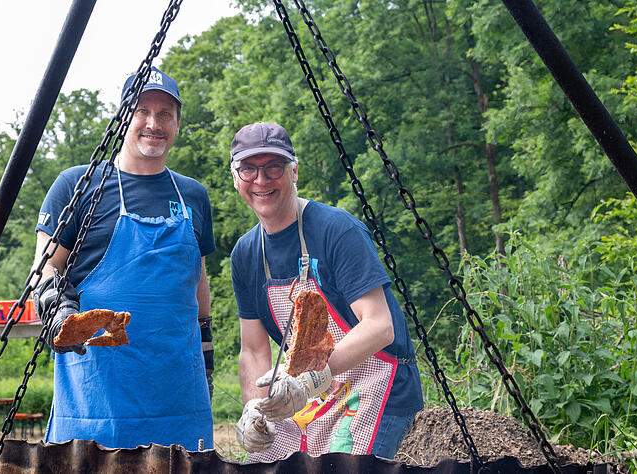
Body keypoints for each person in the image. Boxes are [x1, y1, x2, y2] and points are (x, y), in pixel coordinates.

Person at [31, 66, 215, 450]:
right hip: (96, 394)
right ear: (122, 118)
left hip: (178, 392)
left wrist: (208, 354)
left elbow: (197, 281)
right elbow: (45, 268)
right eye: (142, 111)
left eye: (165, 114)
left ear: (178, 123)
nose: (154, 123)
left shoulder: (193, 195)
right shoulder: (78, 185)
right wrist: (57, 310)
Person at [230, 122, 423, 461]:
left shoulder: (337, 230)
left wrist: (311, 380)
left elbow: (380, 325)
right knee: (261, 464)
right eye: (249, 169)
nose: (261, 180)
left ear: (294, 171)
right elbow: (253, 349)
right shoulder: (245, 255)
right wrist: (254, 409)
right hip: (307, 396)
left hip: (376, 383)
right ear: (235, 177)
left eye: (274, 167)